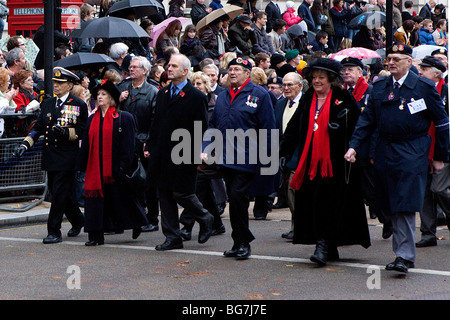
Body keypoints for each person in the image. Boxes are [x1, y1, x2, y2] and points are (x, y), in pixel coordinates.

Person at [345, 43, 449, 273]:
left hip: (412, 150)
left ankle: (404, 256)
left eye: (396, 59)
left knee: (403, 202)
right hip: (385, 149)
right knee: (387, 201)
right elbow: (367, 121)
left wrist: (440, 156)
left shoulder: (423, 87)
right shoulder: (380, 86)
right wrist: (354, 146)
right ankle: (402, 252)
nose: (390, 62)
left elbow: (442, 123)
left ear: (409, 62)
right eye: (389, 58)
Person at [280, 58, 370, 266]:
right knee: (312, 202)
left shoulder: (343, 97)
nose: (317, 81)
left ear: (331, 79)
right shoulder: (308, 98)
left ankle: (322, 245)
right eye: (314, 77)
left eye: (321, 77)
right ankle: (328, 245)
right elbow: (294, 128)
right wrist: (284, 152)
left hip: (336, 163)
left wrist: (340, 132)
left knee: (328, 202)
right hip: (309, 161)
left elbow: (358, 127)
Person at [202, 57, 276, 259]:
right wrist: (206, 147)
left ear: (247, 73)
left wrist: (267, 158)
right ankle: (238, 241)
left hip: (247, 158)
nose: (232, 72)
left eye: (237, 69)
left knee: (236, 198)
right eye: (230, 69)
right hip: (225, 158)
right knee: (236, 201)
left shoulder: (260, 95)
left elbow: (268, 128)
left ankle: (243, 242)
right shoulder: (224, 96)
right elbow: (213, 124)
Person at [145, 54, 214, 250]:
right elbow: (156, 123)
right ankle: (172, 236)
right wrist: (150, 145)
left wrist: (194, 153)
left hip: (183, 151)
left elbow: (200, 127)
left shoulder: (196, 96)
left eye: (174, 66)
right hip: (161, 152)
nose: (169, 68)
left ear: (185, 71)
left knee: (181, 192)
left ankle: (204, 217)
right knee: (164, 193)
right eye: (168, 65)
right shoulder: (163, 94)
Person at [13, 67, 87, 244]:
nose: (56, 86)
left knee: (59, 194)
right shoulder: (47, 103)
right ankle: (78, 220)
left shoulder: (78, 104)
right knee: (59, 192)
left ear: (69, 85)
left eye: (60, 83)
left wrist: (66, 133)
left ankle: (53, 231)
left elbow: (82, 131)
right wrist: (25, 144)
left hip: (67, 155)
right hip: (50, 155)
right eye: (54, 82)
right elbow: (38, 127)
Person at [76, 80, 149, 245]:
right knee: (95, 201)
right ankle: (95, 236)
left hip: (117, 168)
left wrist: (124, 165)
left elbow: (129, 144)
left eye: (104, 95)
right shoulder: (92, 119)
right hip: (96, 168)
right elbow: (86, 144)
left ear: (112, 98)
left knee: (122, 200)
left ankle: (137, 223)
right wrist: (80, 166)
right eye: (98, 95)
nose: (100, 98)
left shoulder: (124, 118)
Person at [178, 71, 226, 240]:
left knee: (197, 187)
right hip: (191, 149)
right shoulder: (189, 104)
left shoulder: (216, 104)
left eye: (200, 83)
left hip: (209, 152)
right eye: (194, 84)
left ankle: (186, 225)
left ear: (207, 86)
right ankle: (217, 224)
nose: (197, 86)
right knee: (203, 188)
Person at [118, 56, 159, 233]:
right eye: (130, 67)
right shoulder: (123, 88)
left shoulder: (152, 91)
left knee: (147, 182)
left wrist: (149, 142)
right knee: (126, 181)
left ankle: (152, 218)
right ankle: (132, 217)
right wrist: (118, 100)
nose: (131, 69)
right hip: (125, 143)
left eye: (135, 67)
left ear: (144, 71)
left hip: (143, 142)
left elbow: (155, 119)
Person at [416, 55, 449, 247]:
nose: (420, 71)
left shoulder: (445, 90)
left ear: (436, 73)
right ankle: (427, 233)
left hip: (442, 149)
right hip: (423, 149)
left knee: (439, 188)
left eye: (425, 69)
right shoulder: (419, 91)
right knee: (425, 193)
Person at [274, 72, 303, 239]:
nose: (285, 88)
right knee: (288, 190)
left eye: (289, 85)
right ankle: (296, 225)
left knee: (293, 189)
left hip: (300, 154)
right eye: (284, 84)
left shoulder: (306, 103)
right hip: (284, 154)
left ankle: (299, 226)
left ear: (299, 86)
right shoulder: (280, 104)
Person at [12, 69, 40, 137]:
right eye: (29, 80)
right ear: (21, 83)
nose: (32, 82)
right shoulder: (16, 95)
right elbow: (20, 114)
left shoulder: (35, 94)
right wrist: (34, 105)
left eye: (32, 79)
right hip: (23, 131)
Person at [0, 68, 18, 138]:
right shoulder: (4, 97)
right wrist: (7, 99)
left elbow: (9, 114)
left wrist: (10, 98)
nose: (9, 83)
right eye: (8, 81)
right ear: (1, 82)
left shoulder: (3, 94)